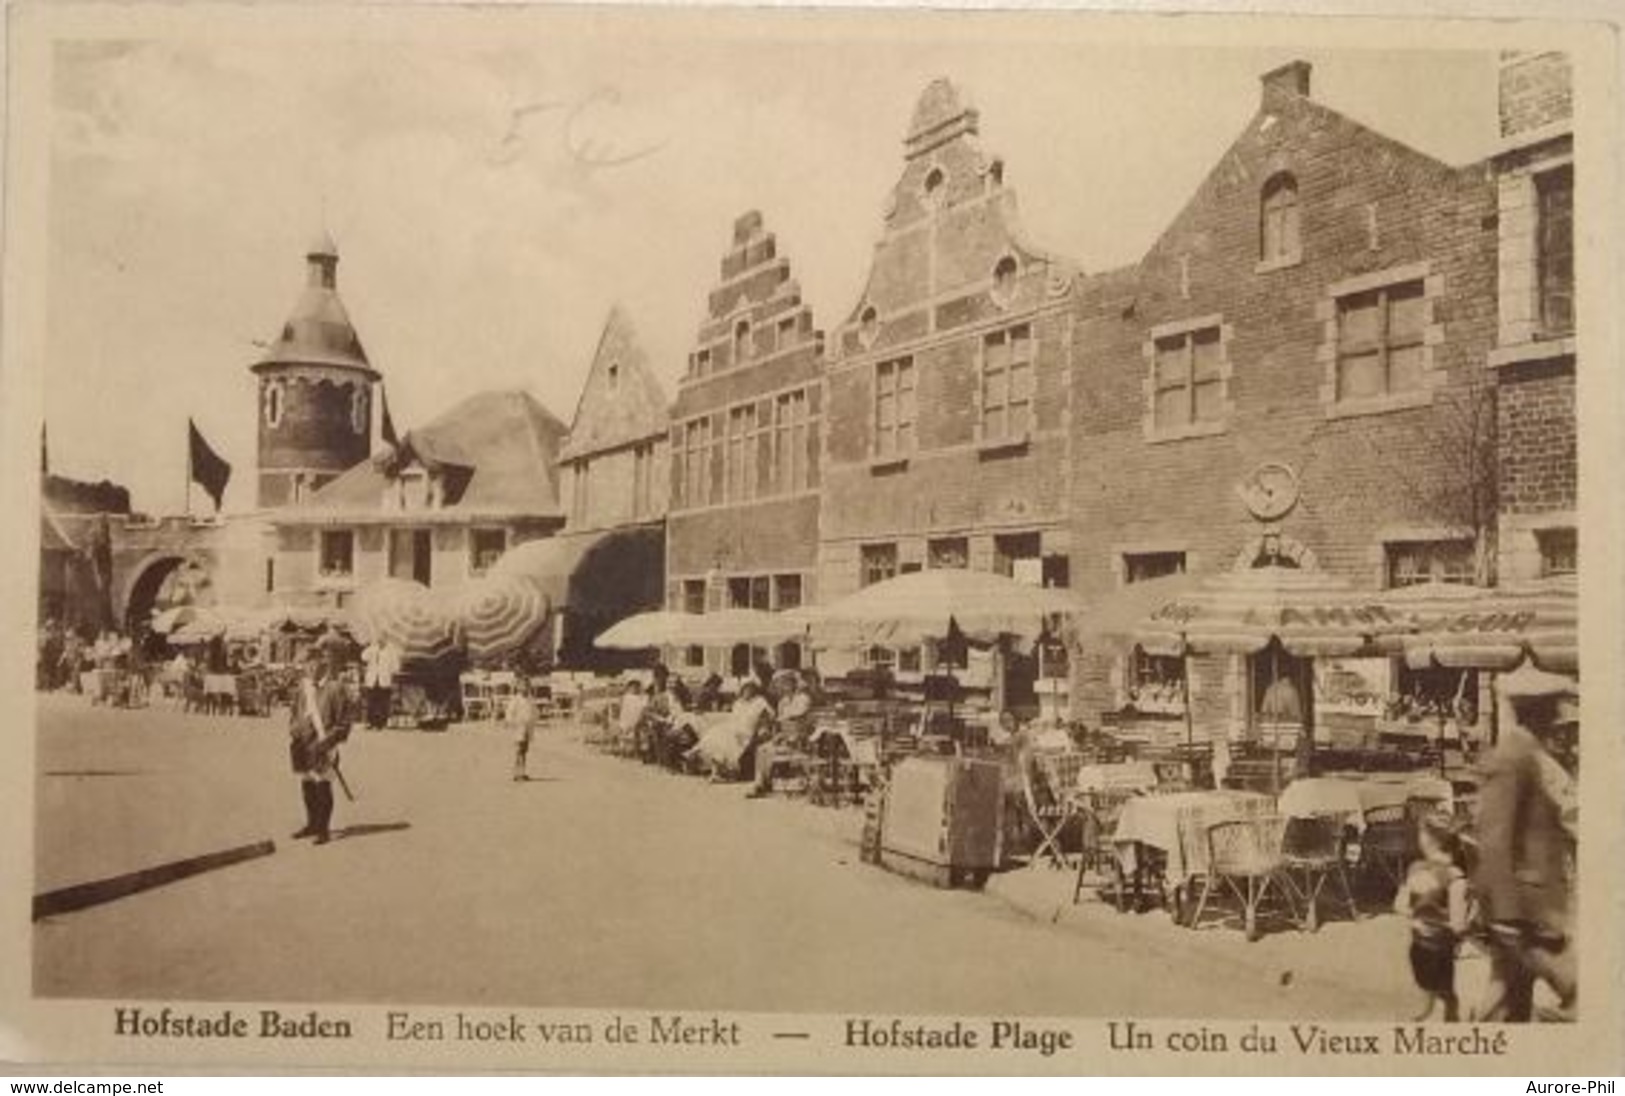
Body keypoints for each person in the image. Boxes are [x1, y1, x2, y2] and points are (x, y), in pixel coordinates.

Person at [1473, 667, 1578, 1022]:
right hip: (1521, 909)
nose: (1556, 718)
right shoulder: (1513, 758)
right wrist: (1506, 914)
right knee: (1521, 996)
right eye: (1550, 709)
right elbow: (1495, 838)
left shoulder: (1527, 754)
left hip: (1528, 907)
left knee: (1507, 996)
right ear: (1535, 711)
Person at [1394, 810, 1470, 1022]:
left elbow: (1399, 906)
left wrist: (1420, 914)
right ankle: (1441, 1010)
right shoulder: (1451, 877)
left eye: (1420, 834)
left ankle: (1434, 1010)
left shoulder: (1420, 870)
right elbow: (1458, 924)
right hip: (1433, 945)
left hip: (1428, 945)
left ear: (1427, 839)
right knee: (1437, 985)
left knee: (1432, 983)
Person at [287, 641, 354, 845]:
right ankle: (312, 824)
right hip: (303, 742)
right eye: (306, 664)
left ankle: (323, 829)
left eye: (313, 663)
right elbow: (294, 713)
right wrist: (294, 730)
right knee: (307, 782)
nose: (310, 668)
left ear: (322, 663)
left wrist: (328, 742)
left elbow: (344, 723)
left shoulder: (336, 688)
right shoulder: (303, 687)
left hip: (324, 743)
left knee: (322, 784)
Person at [743, 678, 797, 797]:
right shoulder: (783, 701)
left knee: (767, 750)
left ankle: (762, 784)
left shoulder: (800, 699)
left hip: (797, 737)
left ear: (794, 686)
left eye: (787, 685)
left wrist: (782, 723)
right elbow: (778, 722)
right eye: (782, 686)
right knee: (762, 749)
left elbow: (797, 718)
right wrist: (776, 733)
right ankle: (760, 783)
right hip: (783, 736)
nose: (783, 688)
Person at [360, 637, 402, 730]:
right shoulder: (372, 649)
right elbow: (363, 657)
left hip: (384, 679)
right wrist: (370, 646)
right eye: (378, 639)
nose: (380, 641)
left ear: (386, 639)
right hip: (373, 679)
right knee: (371, 701)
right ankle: (371, 722)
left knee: (383, 702)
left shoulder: (391, 651)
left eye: (382, 639)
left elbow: (396, 667)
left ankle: (382, 722)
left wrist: (389, 671)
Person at [507, 678, 540, 782]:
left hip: (528, 727)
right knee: (519, 750)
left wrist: (535, 720)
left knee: (525, 750)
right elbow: (509, 713)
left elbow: (535, 711)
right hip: (519, 727)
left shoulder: (530, 699)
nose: (525, 688)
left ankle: (523, 772)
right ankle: (516, 772)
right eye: (522, 686)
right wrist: (512, 722)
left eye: (527, 686)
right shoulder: (515, 699)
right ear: (518, 688)